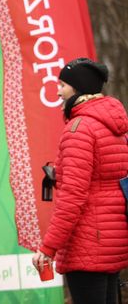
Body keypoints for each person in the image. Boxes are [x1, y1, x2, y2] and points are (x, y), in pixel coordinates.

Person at [32, 57, 128, 304]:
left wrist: (48, 248)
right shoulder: (113, 126)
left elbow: (73, 197)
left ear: (78, 89)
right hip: (112, 242)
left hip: (87, 244)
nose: (58, 90)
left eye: (62, 84)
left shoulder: (80, 129)